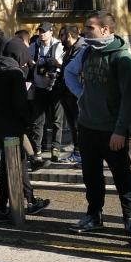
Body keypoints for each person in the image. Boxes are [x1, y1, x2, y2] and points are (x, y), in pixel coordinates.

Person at [64, 11, 131, 236]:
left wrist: (120, 130)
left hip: (112, 129)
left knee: (122, 175)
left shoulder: (121, 57)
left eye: (89, 28)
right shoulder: (87, 51)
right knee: (91, 175)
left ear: (105, 30)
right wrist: (82, 95)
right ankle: (94, 215)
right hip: (87, 125)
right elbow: (69, 74)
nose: (84, 32)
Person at [0, 36, 51, 221]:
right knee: (17, 166)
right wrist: (30, 112)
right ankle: (23, 207)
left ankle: (3, 208)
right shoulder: (14, 73)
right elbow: (20, 106)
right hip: (13, 126)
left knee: (6, 170)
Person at [27, 22, 65, 165]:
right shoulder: (34, 46)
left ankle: (56, 150)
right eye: (40, 31)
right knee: (38, 121)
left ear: (51, 32)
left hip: (55, 88)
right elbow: (29, 63)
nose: (41, 34)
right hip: (39, 88)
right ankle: (37, 152)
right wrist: (34, 64)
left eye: (44, 31)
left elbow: (62, 65)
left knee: (56, 120)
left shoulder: (59, 46)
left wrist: (54, 65)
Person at [58, 25, 85, 166]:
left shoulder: (81, 49)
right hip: (66, 92)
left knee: (77, 124)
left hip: (74, 93)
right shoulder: (69, 50)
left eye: (61, 35)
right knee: (73, 124)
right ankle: (77, 151)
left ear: (68, 36)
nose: (60, 39)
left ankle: (80, 153)